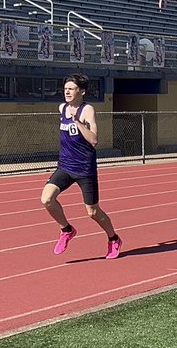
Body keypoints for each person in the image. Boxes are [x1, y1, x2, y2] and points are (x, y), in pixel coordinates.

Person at [40, 73, 122, 259]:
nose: (67, 92)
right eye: (65, 88)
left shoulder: (88, 110)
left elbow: (94, 140)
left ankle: (113, 238)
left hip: (85, 169)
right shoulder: (62, 108)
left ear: (82, 91)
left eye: (71, 89)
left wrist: (77, 121)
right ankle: (67, 230)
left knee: (92, 212)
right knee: (46, 199)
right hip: (65, 166)